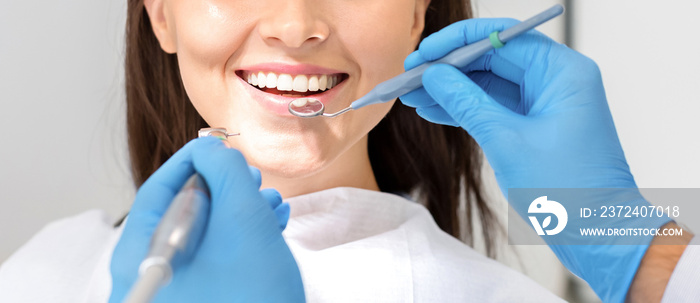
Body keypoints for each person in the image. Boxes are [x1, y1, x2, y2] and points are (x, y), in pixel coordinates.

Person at [0, 1, 698, 303]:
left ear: (419, 14)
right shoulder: (39, 269)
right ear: (160, 11)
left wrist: (628, 236)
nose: (297, 25)